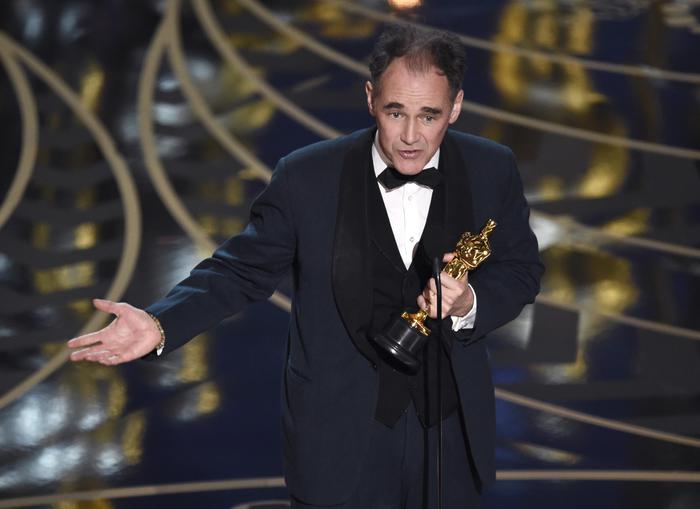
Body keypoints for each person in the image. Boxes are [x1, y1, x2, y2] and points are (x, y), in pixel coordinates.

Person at [67, 24, 543, 508]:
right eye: (395, 112)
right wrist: (160, 323)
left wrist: (469, 303)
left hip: (448, 440)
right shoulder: (307, 176)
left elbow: (521, 270)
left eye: (429, 116)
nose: (410, 136)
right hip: (338, 440)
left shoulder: (491, 168)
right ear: (370, 98)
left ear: (455, 107)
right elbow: (240, 270)